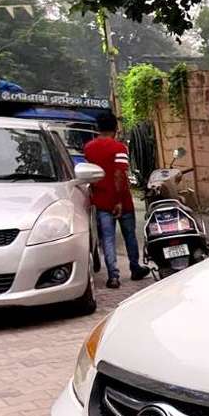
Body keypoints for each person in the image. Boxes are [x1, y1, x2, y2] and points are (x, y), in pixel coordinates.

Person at [84, 113, 148, 288]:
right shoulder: (119, 148)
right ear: (115, 128)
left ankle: (113, 276)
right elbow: (119, 174)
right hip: (122, 201)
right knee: (129, 236)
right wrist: (118, 200)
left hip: (101, 200)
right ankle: (135, 268)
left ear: (98, 128)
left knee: (107, 239)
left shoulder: (88, 148)